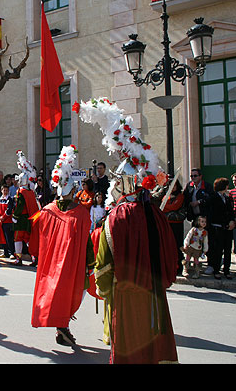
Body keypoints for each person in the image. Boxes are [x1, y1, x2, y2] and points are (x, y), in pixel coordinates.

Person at [77, 96, 178, 363]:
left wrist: (104, 289)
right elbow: (170, 257)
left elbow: (104, 265)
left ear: (127, 183)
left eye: (117, 181)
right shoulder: (155, 213)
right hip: (156, 294)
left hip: (127, 296)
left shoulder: (118, 215)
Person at [31, 145, 94, 347]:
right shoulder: (81, 213)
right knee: (75, 293)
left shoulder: (47, 210)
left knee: (56, 292)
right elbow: (87, 242)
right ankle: (63, 326)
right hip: (72, 265)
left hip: (51, 263)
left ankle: (62, 326)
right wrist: (91, 263)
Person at [11, 150, 40, 266]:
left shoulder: (22, 192)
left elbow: (20, 205)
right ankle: (34, 258)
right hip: (29, 218)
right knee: (28, 238)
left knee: (18, 238)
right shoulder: (31, 192)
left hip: (20, 219)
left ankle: (18, 259)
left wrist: (15, 216)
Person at [206, 177, 236, 279]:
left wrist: (231, 221)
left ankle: (227, 270)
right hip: (217, 228)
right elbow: (212, 214)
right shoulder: (213, 198)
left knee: (228, 250)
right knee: (217, 250)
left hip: (227, 228)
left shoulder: (227, 198)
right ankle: (216, 270)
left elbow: (231, 211)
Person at [160, 177, 187, 276]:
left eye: (174, 185)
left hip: (176, 225)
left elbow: (174, 207)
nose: (173, 188)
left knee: (177, 246)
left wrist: (166, 207)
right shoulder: (166, 196)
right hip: (167, 224)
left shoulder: (180, 196)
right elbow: (162, 206)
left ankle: (179, 267)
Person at [0, 184, 14, 258]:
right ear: (1, 190)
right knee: (3, 238)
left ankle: (12, 252)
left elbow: (9, 210)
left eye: (6, 190)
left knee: (9, 238)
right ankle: (5, 252)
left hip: (8, 221)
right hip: (1, 221)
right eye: (4, 190)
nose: (5, 192)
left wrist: (3, 217)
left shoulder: (10, 199)